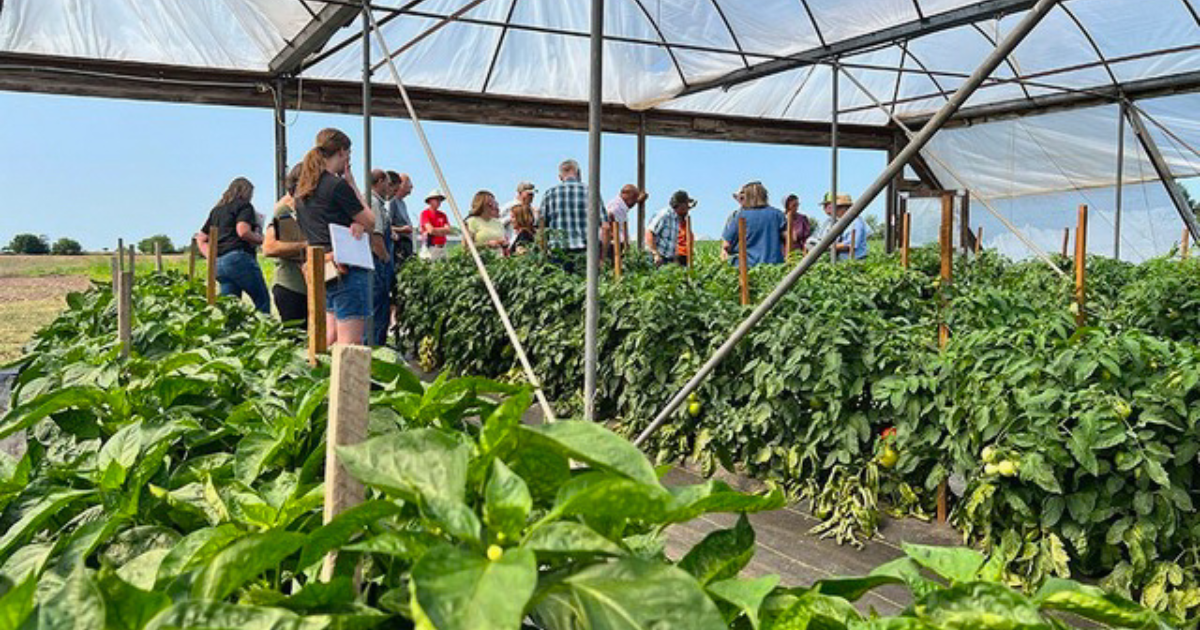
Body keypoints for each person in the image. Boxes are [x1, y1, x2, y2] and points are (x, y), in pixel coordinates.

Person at [294, 128, 375, 347]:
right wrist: (351, 183)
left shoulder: (302, 192)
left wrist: (353, 222)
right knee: (351, 345)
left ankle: (320, 380)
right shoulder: (337, 185)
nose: (348, 160)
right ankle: (345, 383)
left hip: (324, 270)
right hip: (346, 267)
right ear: (341, 152)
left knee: (329, 337)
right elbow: (370, 221)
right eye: (348, 154)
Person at [196, 177, 270, 314]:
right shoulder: (244, 206)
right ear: (246, 192)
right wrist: (262, 239)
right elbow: (242, 231)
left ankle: (230, 333)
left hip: (219, 263)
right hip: (238, 258)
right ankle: (265, 332)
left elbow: (201, 238)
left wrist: (211, 256)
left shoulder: (216, 211)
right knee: (262, 301)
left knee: (230, 308)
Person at [263, 165, 308, 325]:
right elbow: (269, 248)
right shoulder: (285, 211)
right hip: (292, 287)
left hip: (310, 287)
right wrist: (306, 245)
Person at [721, 181, 786, 268]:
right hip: (774, 267)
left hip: (746, 268)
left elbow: (726, 245)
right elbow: (790, 238)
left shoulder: (740, 215)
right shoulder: (777, 214)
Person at [540, 159, 590, 269]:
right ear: (579, 173)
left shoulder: (549, 194)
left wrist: (543, 255)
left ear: (560, 176)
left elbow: (542, 227)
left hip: (557, 252)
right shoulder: (590, 192)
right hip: (584, 253)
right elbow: (605, 226)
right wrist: (602, 257)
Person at [369, 170, 394, 346]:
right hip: (376, 263)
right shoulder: (374, 203)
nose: (389, 187)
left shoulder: (376, 203)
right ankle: (376, 349)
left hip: (376, 263)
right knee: (378, 310)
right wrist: (385, 258)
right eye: (388, 182)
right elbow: (376, 237)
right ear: (380, 181)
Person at [646, 190, 696, 268]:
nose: (688, 208)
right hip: (657, 258)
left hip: (667, 260)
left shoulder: (676, 219)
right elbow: (650, 232)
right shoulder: (664, 215)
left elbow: (673, 243)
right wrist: (655, 253)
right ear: (681, 205)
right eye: (687, 204)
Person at [604, 184, 644, 262]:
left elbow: (628, 206)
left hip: (618, 243)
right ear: (625, 194)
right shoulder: (616, 206)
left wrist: (638, 200)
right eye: (633, 197)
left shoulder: (621, 204)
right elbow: (609, 216)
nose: (634, 200)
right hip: (615, 245)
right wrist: (612, 234)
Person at [830, 193, 870, 260]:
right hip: (845, 262)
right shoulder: (844, 223)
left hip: (856, 261)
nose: (835, 211)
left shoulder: (856, 222)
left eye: (838, 208)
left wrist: (830, 247)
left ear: (846, 208)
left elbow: (851, 245)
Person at [388, 171, 415, 266]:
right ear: (401, 184)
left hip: (406, 245)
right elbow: (387, 225)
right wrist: (402, 229)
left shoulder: (402, 203)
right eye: (408, 183)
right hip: (398, 245)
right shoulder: (392, 202)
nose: (411, 186)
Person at [419, 189, 452, 261]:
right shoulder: (425, 213)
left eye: (439, 200)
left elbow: (448, 230)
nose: (439, 202)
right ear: (430, 201)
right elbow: (430, 230)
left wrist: (435, 230)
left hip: (442, 247)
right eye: (436, 199)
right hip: (430, 247)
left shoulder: (443, 215)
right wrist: (442, 231)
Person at [783, 194, 812, 258]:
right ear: (787, 206)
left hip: (799, 254)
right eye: (794, 205)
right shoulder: (781, 219)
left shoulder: (802, 219)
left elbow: (806, 239)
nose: (796, 208)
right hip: (783, 254)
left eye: (797, 205)